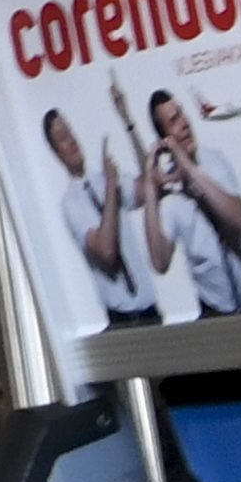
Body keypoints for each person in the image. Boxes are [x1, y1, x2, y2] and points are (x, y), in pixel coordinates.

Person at [49, 106, 163, 327]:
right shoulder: (72, 204)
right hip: (124, 321)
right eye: (63, 137)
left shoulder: (104, 179)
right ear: (56, 152)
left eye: (70, 132)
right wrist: (111, 187)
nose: (72, 140)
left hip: (151, 313)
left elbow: (151, 186)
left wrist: (128, 122)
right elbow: (106, 252)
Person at [146, 88, 241, 315]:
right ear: (165, 139)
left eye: (182, 114)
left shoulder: (214, 161)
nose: (184, 124)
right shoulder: (172, 195)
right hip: (213, 311)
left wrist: (190, 169)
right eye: (174, 121)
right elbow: (160, 262)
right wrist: (149, 187)